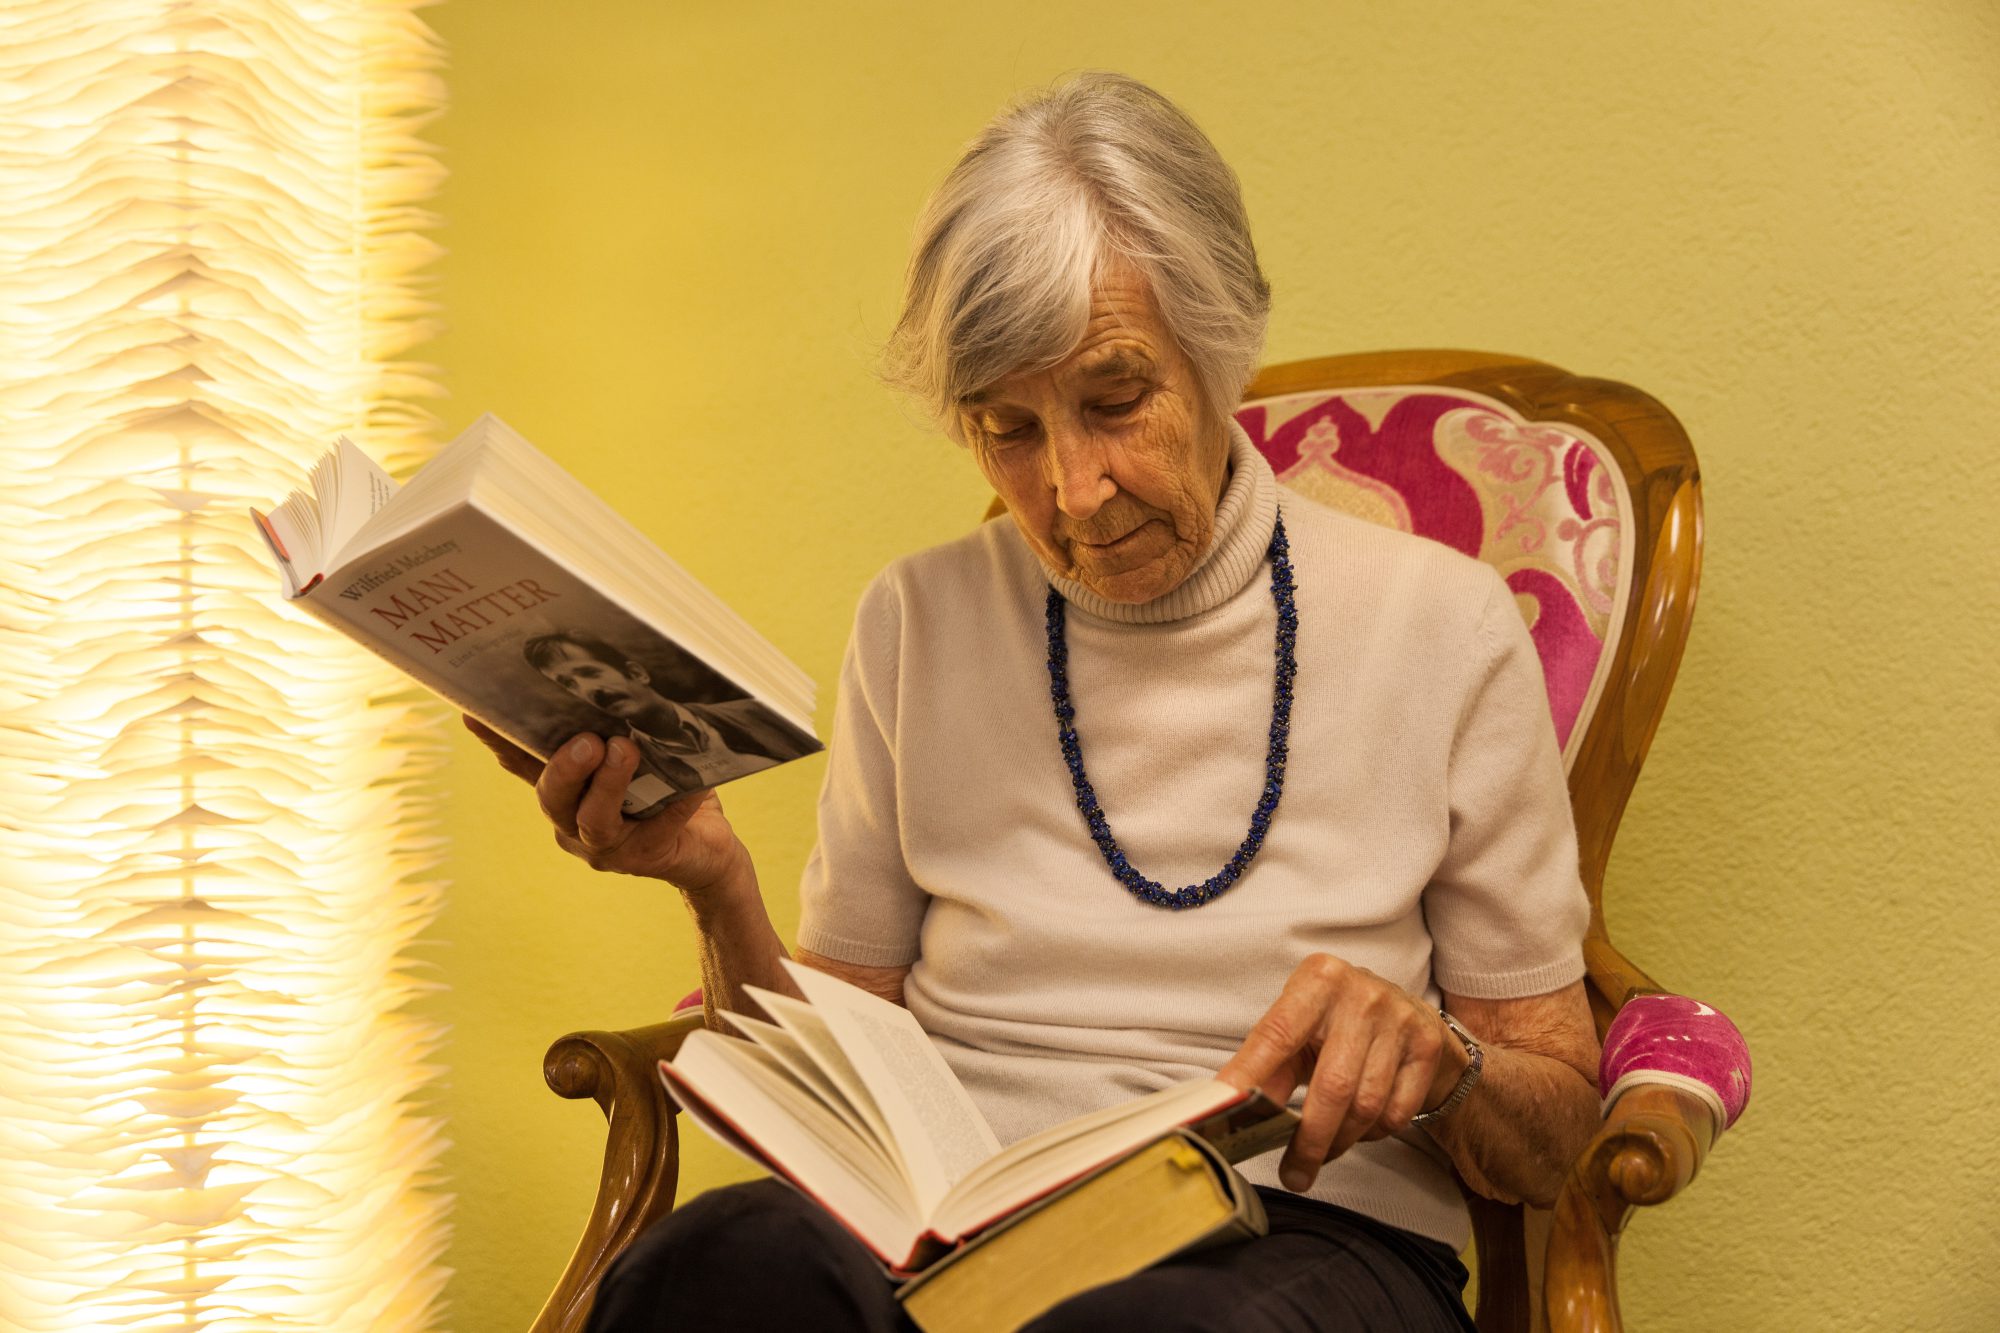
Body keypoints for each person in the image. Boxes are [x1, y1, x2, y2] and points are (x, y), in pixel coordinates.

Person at [471, 71, 1601, 1333]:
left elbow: (1551, 1133)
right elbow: (822, 1101)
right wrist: (712, 880)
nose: (1072, 489)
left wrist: (1442, 1065)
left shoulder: (1440, 624)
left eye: (1114, 402)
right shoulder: (916, 620)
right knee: (706, 1270)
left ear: (1217, 351)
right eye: (1006, 429)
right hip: (958, 1218)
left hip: (1304, 1229)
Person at [520, 630, 794, 792]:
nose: (590, 690)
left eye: (590, 673)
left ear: (636, 673)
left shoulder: (754, 713)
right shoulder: (630, 772)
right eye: (570, 685)